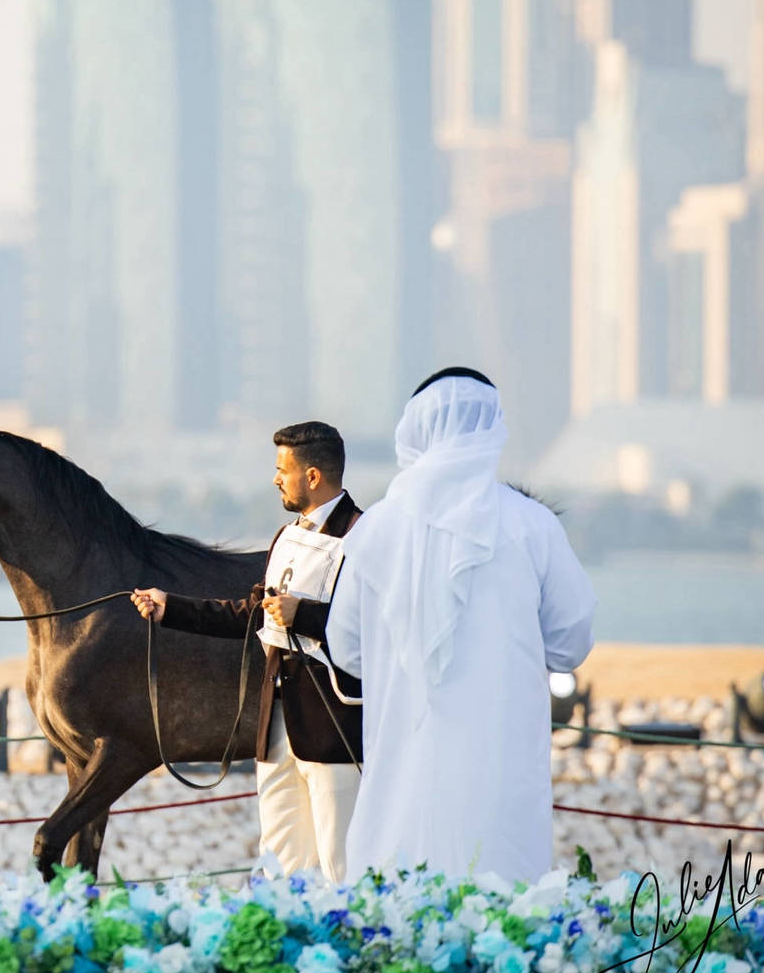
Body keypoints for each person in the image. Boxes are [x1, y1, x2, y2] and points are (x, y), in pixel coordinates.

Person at [325, 368, 596, 887]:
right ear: (492, 428)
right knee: (504, 922)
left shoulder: (375, 530)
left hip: (399, 775)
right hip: (501, 773)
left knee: (392, 919)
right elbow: (571, 643)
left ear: (416, 431)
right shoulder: (533, 526)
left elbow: (345, 648)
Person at [132, 422, 364, 883]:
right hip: (276, 722)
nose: (276, 478)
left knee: (343, 860)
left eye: (283, 469)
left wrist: (307, 616)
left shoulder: (365, 536)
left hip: (333, 725)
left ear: (313, 476)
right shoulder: (285, 537)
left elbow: (379, 626)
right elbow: (250, 614)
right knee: (279, 860)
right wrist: (169, 608)